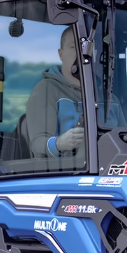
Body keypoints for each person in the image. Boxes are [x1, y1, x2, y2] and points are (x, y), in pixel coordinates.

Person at [26, 27, 84, 158]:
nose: (82, 53)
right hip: (66, 174)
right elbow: (37, 144)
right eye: (73, 47)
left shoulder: (109, 97)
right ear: (61, 54)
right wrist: (59, 143)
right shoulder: (46, 90)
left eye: (86, 48)